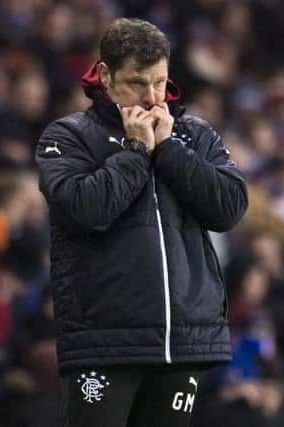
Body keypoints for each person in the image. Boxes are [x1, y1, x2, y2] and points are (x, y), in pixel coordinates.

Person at [35, 18, 248, 427]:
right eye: (136, 83)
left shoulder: (193, 134)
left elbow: (230, 207)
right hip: (104, 339)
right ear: (105, 76)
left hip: (182, 341)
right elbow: (87, 208)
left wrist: (168, 150)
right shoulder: (68, 136)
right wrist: (136, 150)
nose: (152, 99)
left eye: (159, 82)